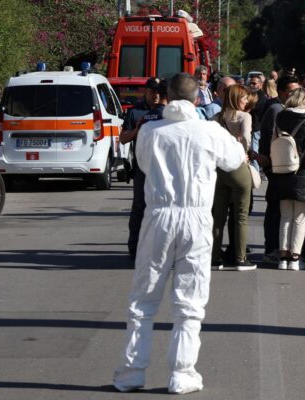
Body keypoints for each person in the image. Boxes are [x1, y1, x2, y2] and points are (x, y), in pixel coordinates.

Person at [113, 73, 246, 394]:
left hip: (159, 213)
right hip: (197, 216)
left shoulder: (149, 131)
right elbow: (235, 158)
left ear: (167, 98)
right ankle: (182, 373)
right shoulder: (210, 131)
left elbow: (143, 165)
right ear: (198, 99)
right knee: (190, 299)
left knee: (143, 298)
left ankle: (132, 372)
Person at [268, 87, 305, 271]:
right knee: (300, 218)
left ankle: (282, 258)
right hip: (304, 173)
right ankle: (295, 258)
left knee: (285, 216)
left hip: (282, 171)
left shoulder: (280, 118)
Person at [255, 75, 301, 265]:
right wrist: (268, 164)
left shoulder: (283, 109)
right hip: (276, 166)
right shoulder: (277, 110)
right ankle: (272, 248)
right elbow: (271, 140)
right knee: (275, 209)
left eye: (296, 90)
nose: (294, 94)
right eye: (290, 91)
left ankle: (275, 247)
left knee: (280, 209)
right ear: (281, 92)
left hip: (278, 165)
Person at [211, 84, 257, 271]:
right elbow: (246, 136)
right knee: (241, 215)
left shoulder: (216, 117)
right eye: (244, 97)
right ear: (237, 99)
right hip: (238, 167)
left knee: (217, 216)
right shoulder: (244, 116)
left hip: (219, 168)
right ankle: (240, 258)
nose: (246, 101)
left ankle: (215, 257)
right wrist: (244, 151)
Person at [120, 77, 167, 259]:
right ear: (145, 92)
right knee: (139, 205)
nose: (155, 96)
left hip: (161, 167)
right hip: (142, 167)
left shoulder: (167, 112)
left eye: (158, 92)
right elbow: (123, 139)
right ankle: (134, 245)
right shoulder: (136, 113)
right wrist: (137, 130)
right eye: (151, 92)